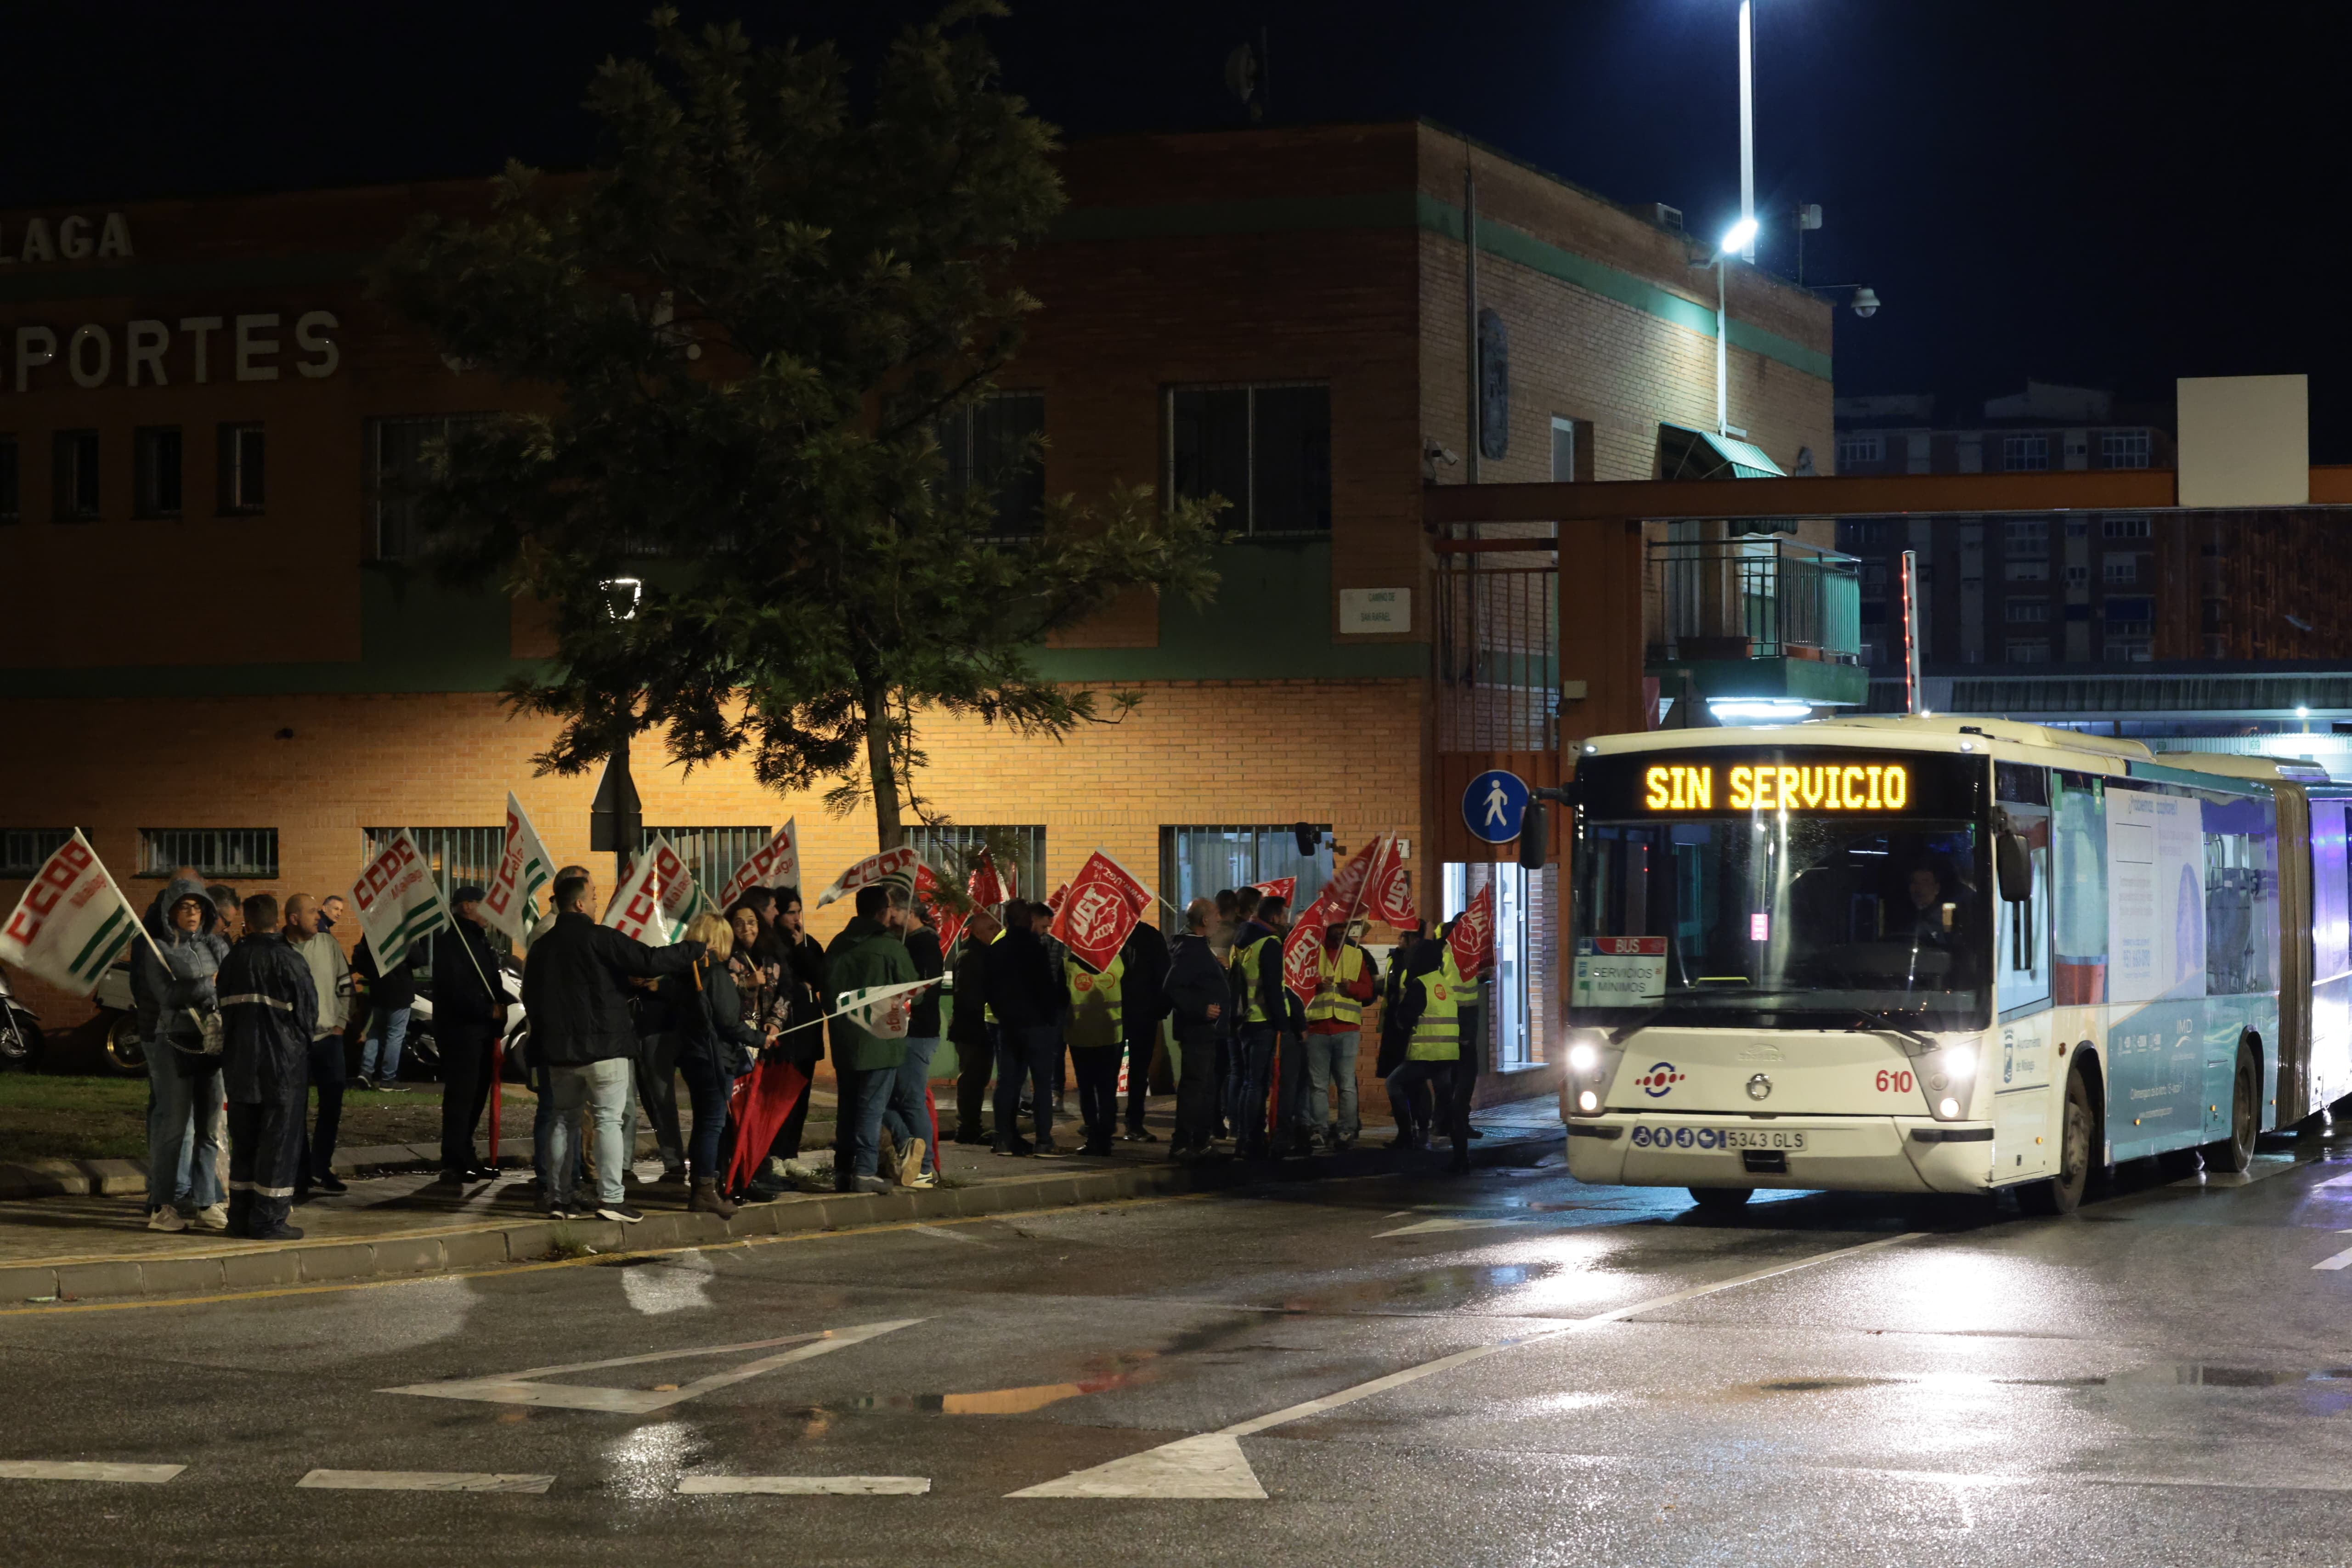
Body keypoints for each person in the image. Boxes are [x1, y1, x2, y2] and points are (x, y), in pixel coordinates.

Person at [522, 872, 703, 1222]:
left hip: (560, 1052)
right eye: (592, 897)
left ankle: (559, 1198)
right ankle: (612, 1197)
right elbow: (649, 960)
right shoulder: (599, 937)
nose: (595, 902)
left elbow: (530, 996)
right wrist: (693, 948)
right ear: (578, 903)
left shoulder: (542, 947)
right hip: (606, 1048)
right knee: (608, 1121)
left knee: (562, 1120)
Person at [133, 877, 231, 1233]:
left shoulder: (217, 945)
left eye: (198, 906)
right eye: (184, 907)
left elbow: (231, 984)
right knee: (174, 1127)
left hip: (212, 1042)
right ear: (170, 911)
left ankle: (207, 1202)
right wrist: (210, 986)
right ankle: (162, 1204)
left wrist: (214, 990)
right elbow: (167, 994)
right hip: (173, 1040)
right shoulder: (155, 948)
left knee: (209, 1129)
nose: (192, 913)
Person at [217, 893, 316, 1240]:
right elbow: (308, 1016)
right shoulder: (290, 961)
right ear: (277, 920)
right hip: (283, 1070)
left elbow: (223, 1013)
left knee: (244, 1144)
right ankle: (269, 1220)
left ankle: (240, 1217)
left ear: (249, 920)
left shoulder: (232, 961)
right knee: (278, 1145)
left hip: (240, 1066)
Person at [660, 910, 768, 1217]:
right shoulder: (715, 973)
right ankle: (705, 1189)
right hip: (714, 1057)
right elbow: (728, 1023)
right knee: (712, 1124)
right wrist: (760, 1039)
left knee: (704, 1123)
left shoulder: (684, 974)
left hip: (694, 1056)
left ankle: (702, 1186)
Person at [826, 883, 918, 1193]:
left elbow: (827, 994)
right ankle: (865, 1170)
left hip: (845, 1039)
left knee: (848, 1105)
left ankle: (843, 1169)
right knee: (871, 1107)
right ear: (883, 911)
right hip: (881, 1040)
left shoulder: (838, 944)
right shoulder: (890, 947)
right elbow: (911, 993)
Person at [746, 885, 829, 1194]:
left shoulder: (806, 944)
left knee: (801, 1096)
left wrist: (802, 947)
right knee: (778, 1097)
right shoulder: (768, 946)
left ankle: (790, 1152)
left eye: (799, 912)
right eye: (791, 912)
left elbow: (820, 978)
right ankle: (774, 1154)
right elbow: (784, 986)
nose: (796, 918)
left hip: (807, 1031)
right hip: (783, 1033)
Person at [430, 886, 506, 1183]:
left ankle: (466, 1153)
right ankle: (454, 1159)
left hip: (481, 1031)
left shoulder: (478, 940)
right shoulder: (453, 943)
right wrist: (487, 1011)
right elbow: (456, 990)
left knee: (476, 1096)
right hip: (462, 1032)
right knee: (462, 1097)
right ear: (466, 907)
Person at [986, 900, 1069, 1156]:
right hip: (1037, 1026)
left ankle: (1004, 1139)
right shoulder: (1035, 949)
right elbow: (1045, 988)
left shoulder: (997, 947)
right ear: (1028, 920)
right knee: (1042, 1084)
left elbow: (988, 988)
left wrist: (1003, 1014)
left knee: (1008, 1082)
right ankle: (1043, 1141)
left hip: (1008, 1025)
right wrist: (1051, 1015)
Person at [284, 894, 352, 1200]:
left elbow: (345, 985)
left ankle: (320, 1167)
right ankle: (299, 1172)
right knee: (294, 1107)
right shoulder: (280, 950)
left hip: (329, 1038)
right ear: (293, 918)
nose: (318, 916)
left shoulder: (328, 944)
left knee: (332, 1104)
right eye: (312, 912)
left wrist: (341, 1023)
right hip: (294, 1041)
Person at [1385, 928, 1473, 1166]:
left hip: (1426, 1053)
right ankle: (1461, 1157)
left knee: (1393, 1084)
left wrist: (1398, 1013)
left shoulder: (1420, 984)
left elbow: (1405, 1018)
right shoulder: (1444, 985)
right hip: (1447, 1054)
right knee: (1448, 1104)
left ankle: (1407, 1135)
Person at [885, 891, 946, 1187]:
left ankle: (923, 1167)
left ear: (908, 912)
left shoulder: (924, 943)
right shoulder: (909, 942)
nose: (889, 917)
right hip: (905, 1030)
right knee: (891, 1099)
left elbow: (924, 990)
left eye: (892, 910)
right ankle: (914, 1155)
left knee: (909, 1100)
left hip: (917, 1032)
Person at [1226, 893, 1294, 1160]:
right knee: (1257, 1084)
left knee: (1245, 1082)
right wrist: (1283, 1024)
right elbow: (1274, 989)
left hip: (1242, 1020)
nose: (1286, 922)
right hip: (1262, 1021)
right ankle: (1252, 1138)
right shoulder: (1269, 943)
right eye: (1285, 917)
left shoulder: (1241, 939)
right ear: (1275, 917)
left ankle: (1243, 1136)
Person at [1302, 918, 1380, 1151]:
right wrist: (1317, 985)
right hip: (1317, 1027)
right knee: (1318, 1086)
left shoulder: (1356, 954)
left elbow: (1368, 991)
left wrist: (1352, 988)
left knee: (1346, 1084)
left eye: (1342, 928)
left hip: (1347, 1029)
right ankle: (1319, 1130)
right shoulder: (1312, 954)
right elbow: (1298, 985)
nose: (1339, 932)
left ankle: (1346, 1130)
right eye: (1335, 928)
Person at [1164, 897, 1230, 1160]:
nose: (1219, 919)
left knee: (1205, 1088)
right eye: (1215, 914)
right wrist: (1201, 1009)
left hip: (1207, 1033)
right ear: (1204, 920)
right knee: (1195, 1088)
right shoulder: (1191, 949)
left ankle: (1201, 1142)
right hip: (1198, 1032)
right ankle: (1182, 1144)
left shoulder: (1199, 948)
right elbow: (1173, 987)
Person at [947, 906, 1003, 1143]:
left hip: (976, 1028)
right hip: (972, 1029)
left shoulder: (981, 953)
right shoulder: (971, 956)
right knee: (972, 1080)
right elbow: (968, 997)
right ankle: (968, 1128)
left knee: (977, 1079)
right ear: (978, 932)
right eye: (992, 928)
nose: (997, 931)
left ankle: (971, 1126)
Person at [1063, 943, 1124, 1157]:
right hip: (1111, 1035)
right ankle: (1105, 1138)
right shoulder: (1116, 962)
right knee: (1107, 1090)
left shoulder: (1069, 966)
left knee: (1087, 1090)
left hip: (1081, 1038)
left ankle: (1093, 1137)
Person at [1119, 917, 1170, 1142]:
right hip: (1142, 1013)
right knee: (1139, 1072)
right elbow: (1163, 975)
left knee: (1113, 1071)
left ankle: (1106, 1122)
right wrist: (1160, 1009)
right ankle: (1133, 1124)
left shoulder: (1110, 934)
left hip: (1118, 1013)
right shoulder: (1150, 935)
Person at [351, 934, 413, 1090]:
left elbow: (360, 956)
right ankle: (388, 1079)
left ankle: (366, 1072)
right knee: (395, 1035)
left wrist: (372, 974)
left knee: (376, 1032)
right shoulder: (402, 930)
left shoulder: (375, 929)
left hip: (379, 989)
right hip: (400, 991)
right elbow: (419, 959)